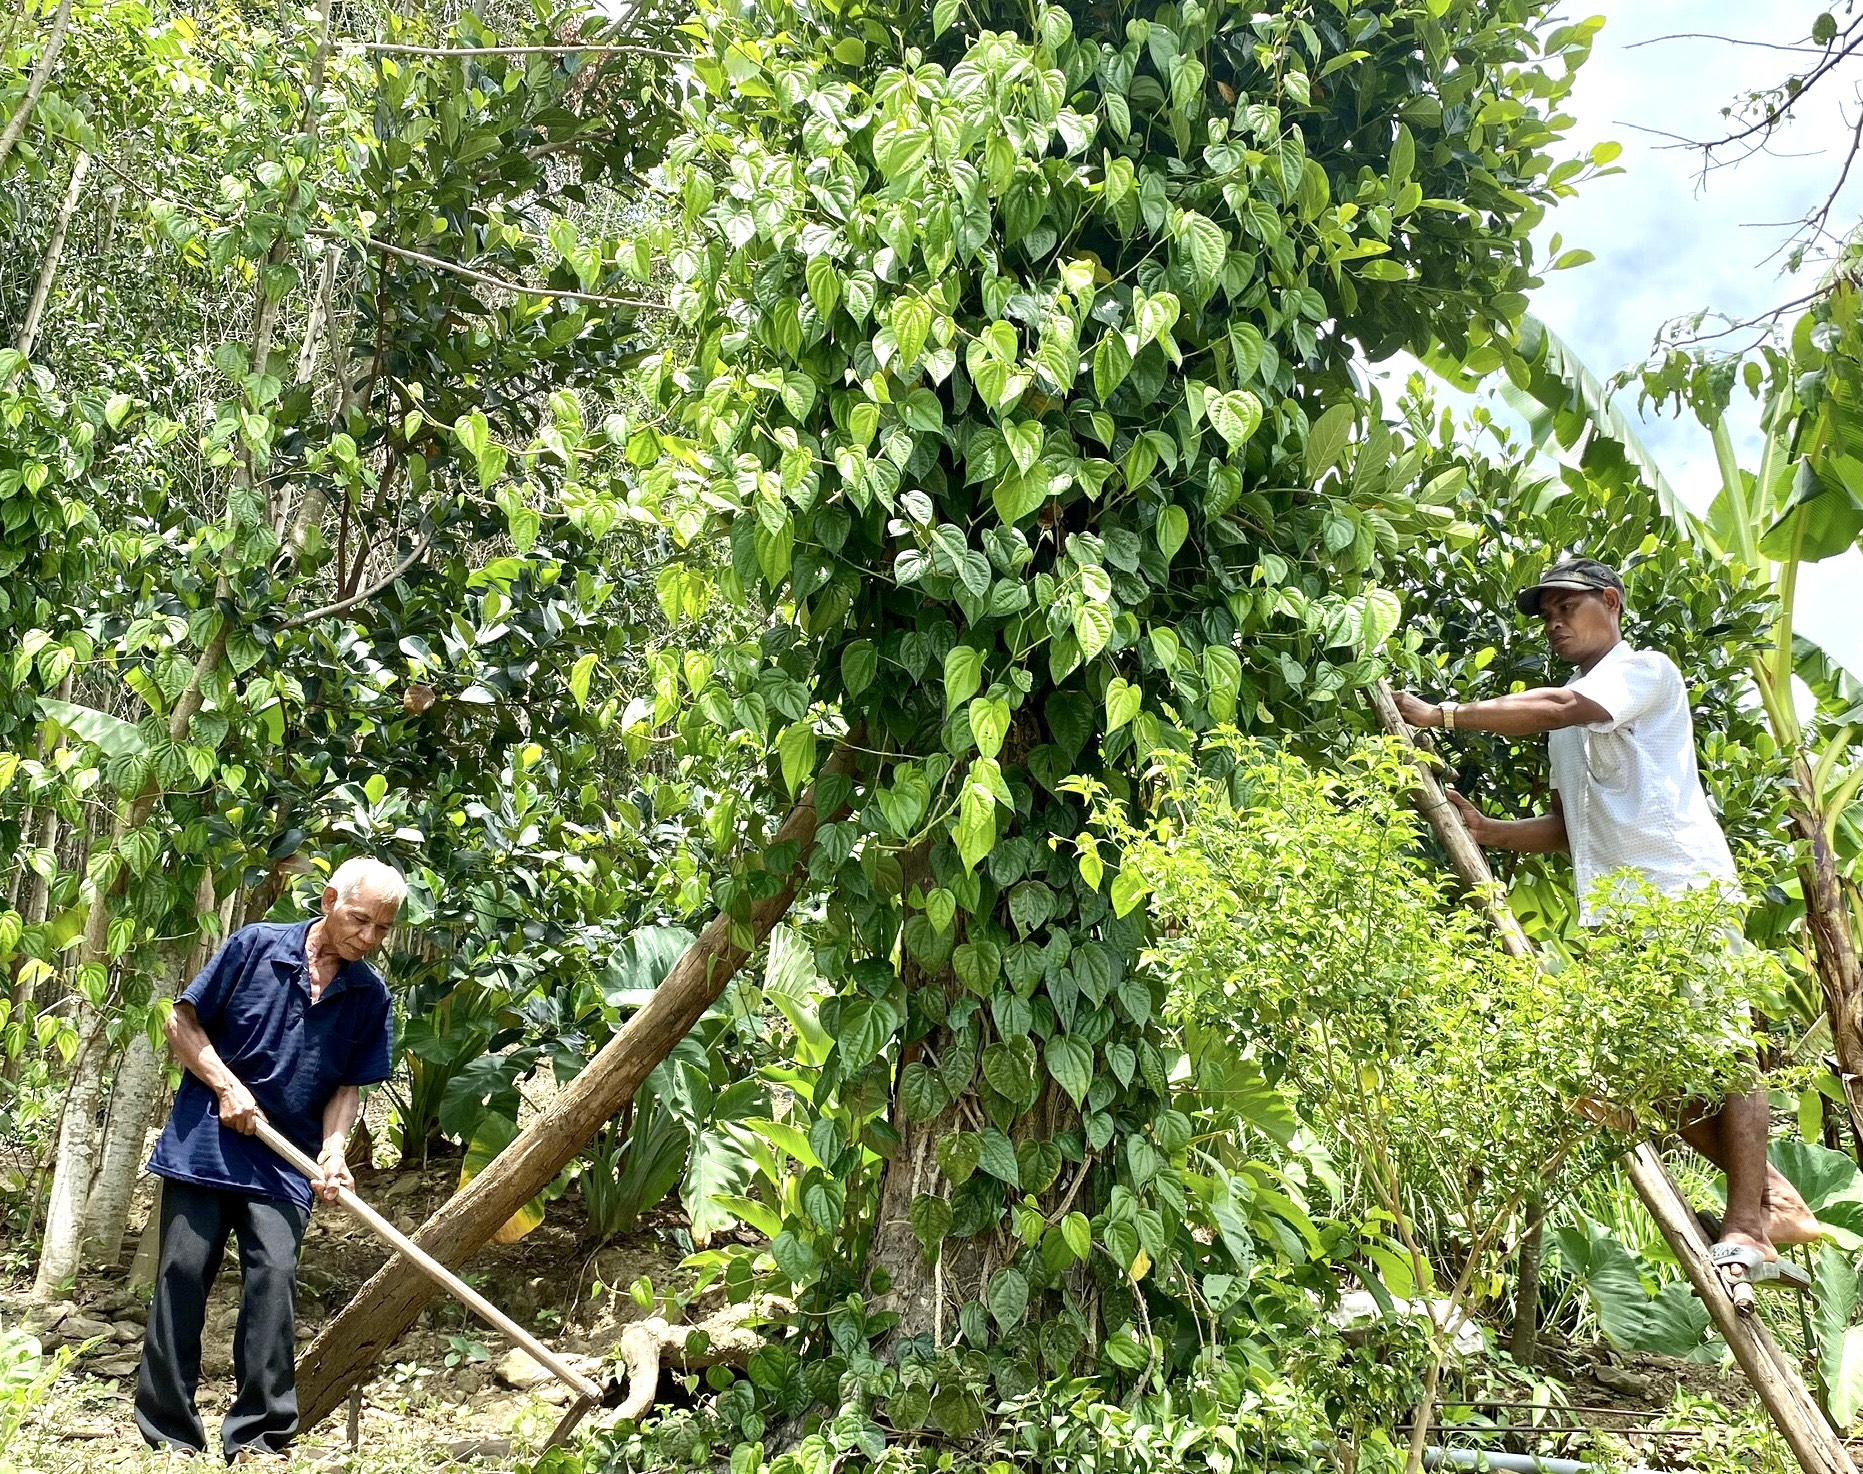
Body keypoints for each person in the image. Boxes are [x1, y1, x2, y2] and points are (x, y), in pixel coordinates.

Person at [1392, 556, 1821, 1294]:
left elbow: (1560, 705)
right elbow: (1570, 824)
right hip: (1617, 915)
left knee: (1720, 1057)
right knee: (1638, 1081)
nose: (1552, 621)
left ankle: (1747, 1225)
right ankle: (1776, 1198)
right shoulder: (1567, 726)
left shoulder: (1644, 672)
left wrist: (1441, 716)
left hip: (1680, 894)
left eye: (1565, 607)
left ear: (1609, 604)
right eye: (1545, 613)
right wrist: (1490, 831)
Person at [136, 857, 404, 1462]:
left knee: (275, 1279)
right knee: (182, 1274)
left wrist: (333, 1149)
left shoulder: (369, 994)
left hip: (286, 1161)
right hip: (206, 1142)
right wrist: (225, 1085)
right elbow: (182, 1024)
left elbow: (347, 1088)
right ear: (330, 898)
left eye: (381, 930)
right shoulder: (255, 946)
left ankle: (258, 1433)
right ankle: (168, 1430)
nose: (367, 938)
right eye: (359, 921)